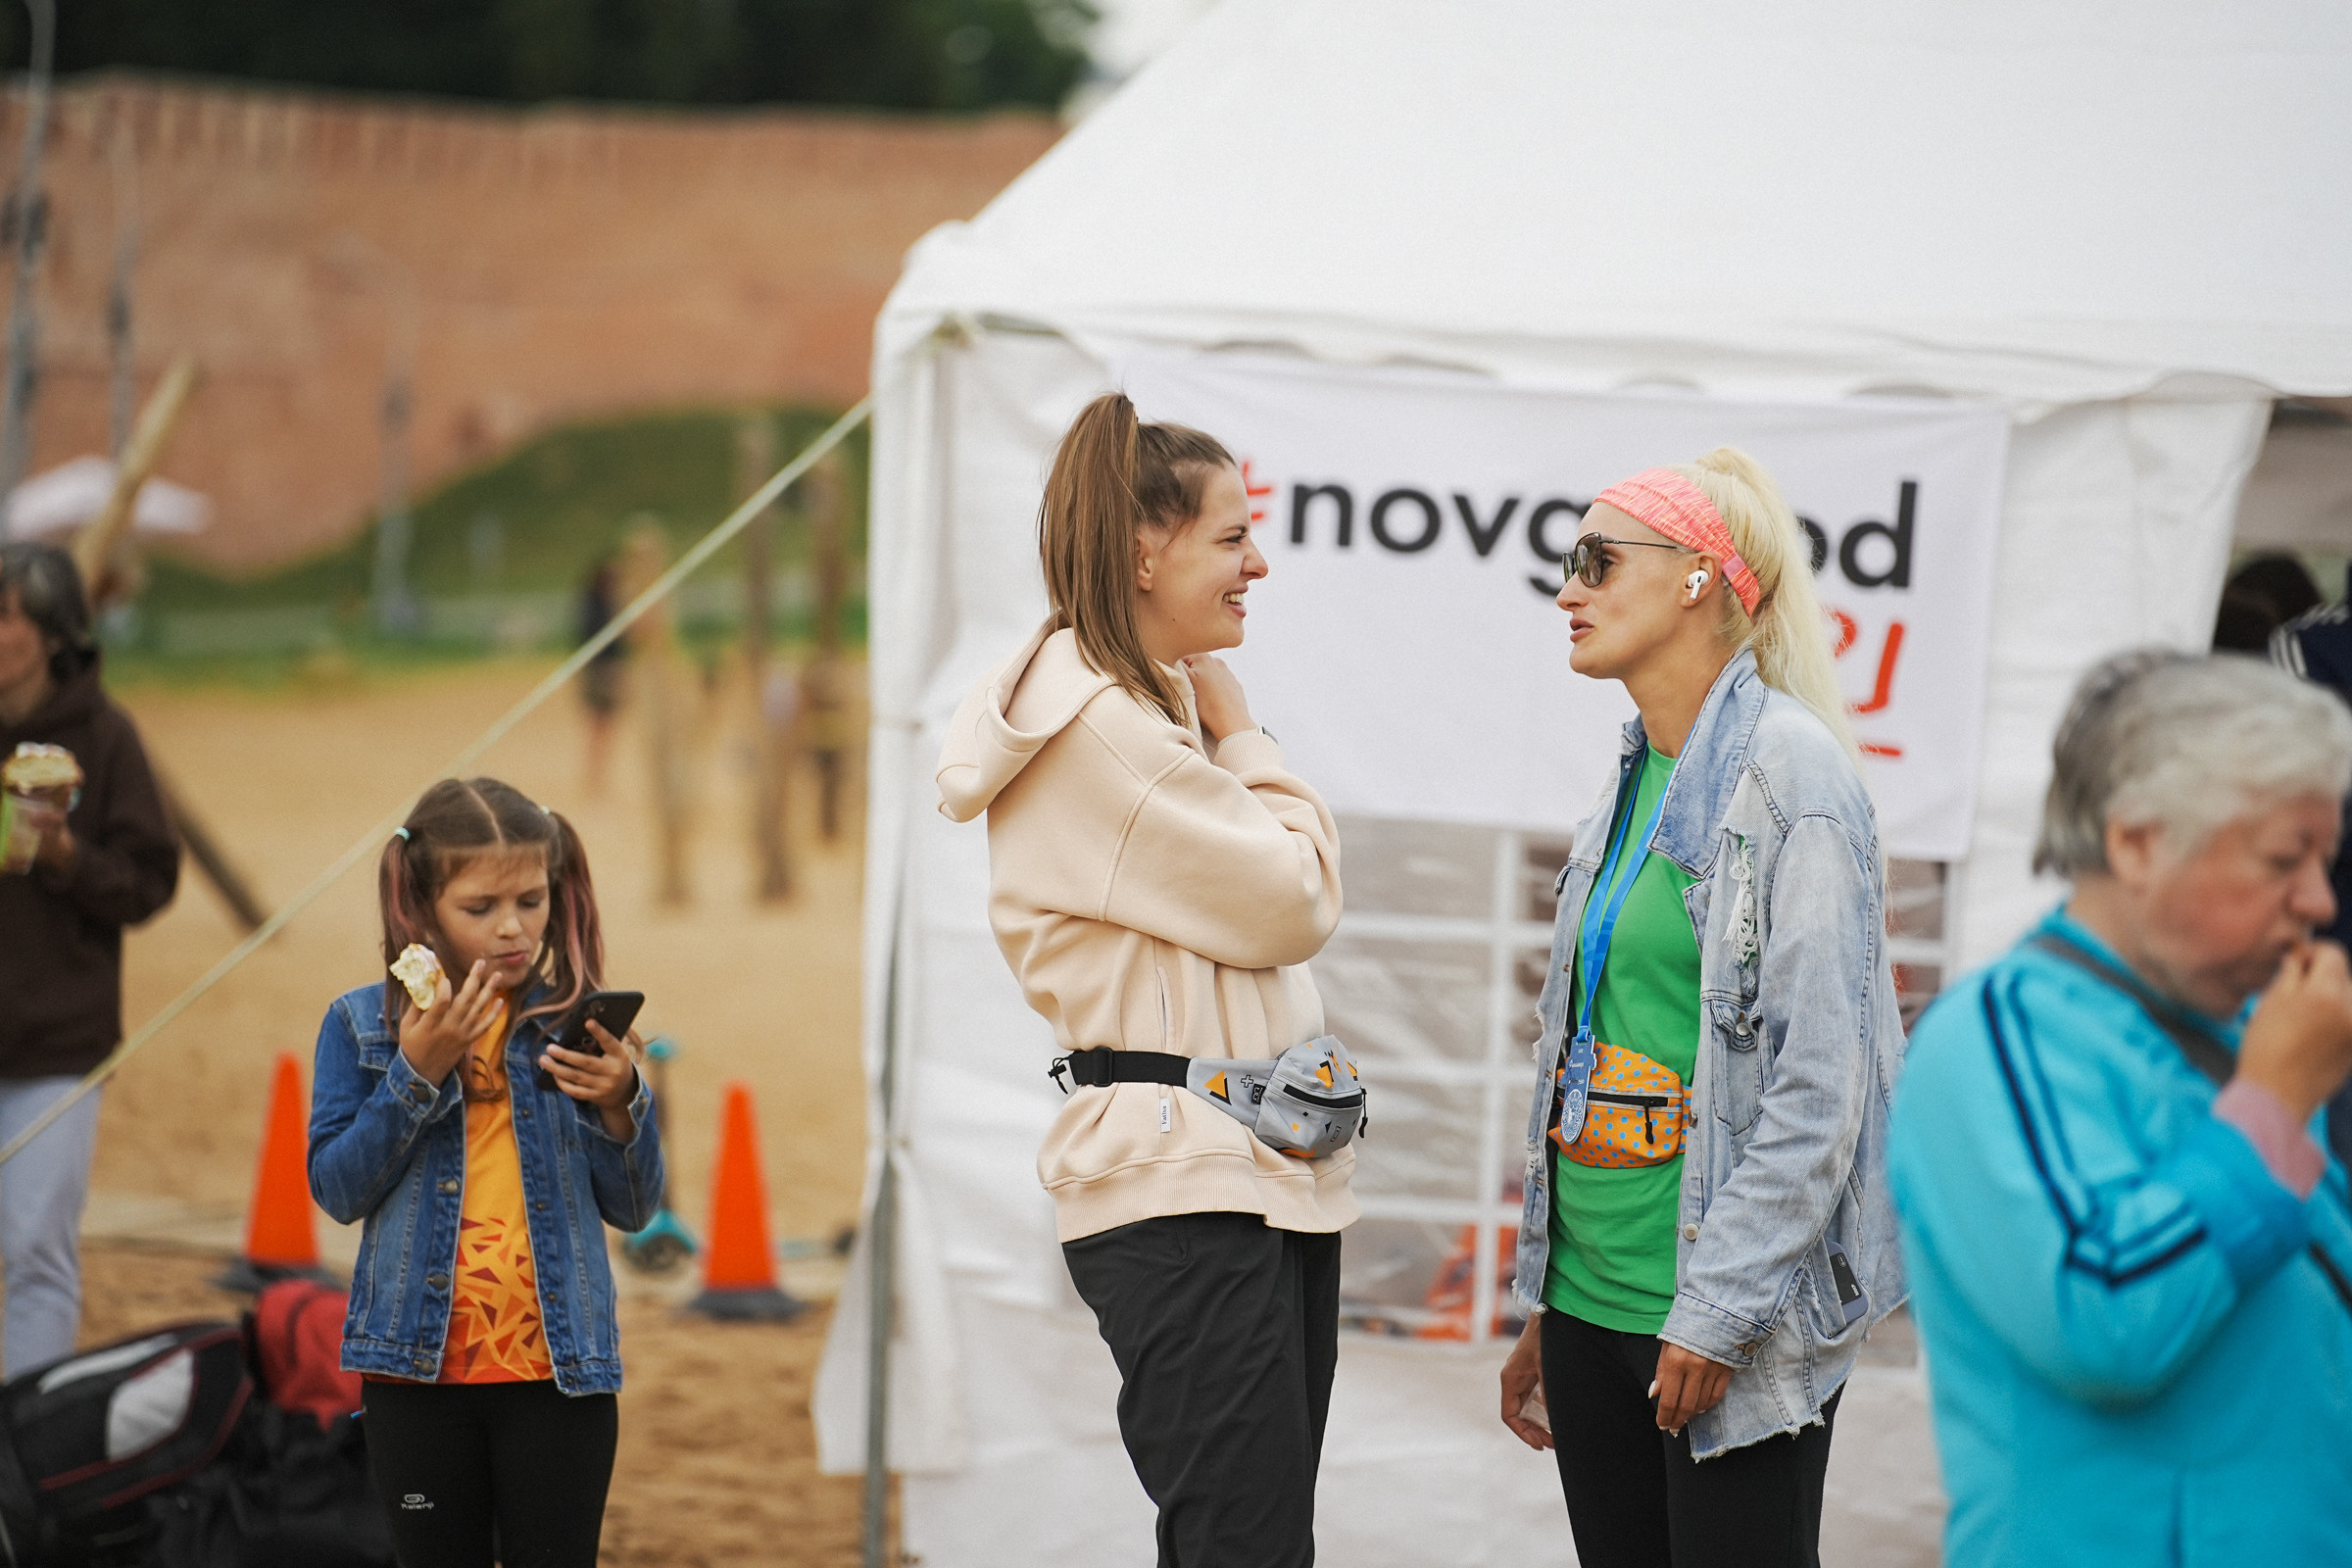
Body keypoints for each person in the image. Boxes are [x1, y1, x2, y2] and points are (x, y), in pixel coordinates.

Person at [935, 392, 1350, 1567]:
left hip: (1231, 1169)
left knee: (1251, 1540)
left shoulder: (1133, 709)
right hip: (1188, 1184)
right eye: (1232, 536)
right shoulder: (1110, 728)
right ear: (1142, 550)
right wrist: (1251, 740)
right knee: (1244, 1545)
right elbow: (1297, 898)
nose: (1255, 564)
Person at [1494, 455, 1907, 1568]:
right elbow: (1587, 1047)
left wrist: (1718, 1309)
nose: (1569, 590)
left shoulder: (1795, 777)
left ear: (1695, 580)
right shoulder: (1634, 771)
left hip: (1719, 1315)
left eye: (1596, 560)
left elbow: (1822, 1084)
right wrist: (1547, 1297)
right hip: (1592, 1302)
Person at [1889, 652, 2352, 1567]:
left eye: (2325, 860)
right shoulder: (1991, 1036)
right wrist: (2272, 1106)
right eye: (2282, 860)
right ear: (2139, 843)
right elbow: (2103, 1319)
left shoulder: (2259, 1024)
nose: (2319, 901)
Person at [308, 777, 663, 1568]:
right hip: (414, 1380)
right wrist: (416, 1073)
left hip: (560, 1381)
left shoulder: (572, 1026)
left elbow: (636, 1208)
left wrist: (623, 1105)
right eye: (481, 908)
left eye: (532, 901)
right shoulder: (362, 1024)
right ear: (421, 906)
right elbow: (337, 1190)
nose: (513, 928)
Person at [0, 541, 178, 1377]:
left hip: (57, 1048)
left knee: (35, 1252)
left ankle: (21, 1470)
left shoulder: (106, 740)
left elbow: (150, 882)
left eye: (4, 615)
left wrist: (68, 856)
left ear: (49, 631)